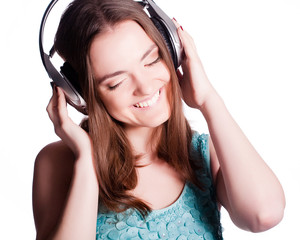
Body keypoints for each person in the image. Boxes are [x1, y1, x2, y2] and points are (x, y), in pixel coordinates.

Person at [32, 0, 286, 239]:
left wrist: (208, 99)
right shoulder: (58, 163)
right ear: (80, 94)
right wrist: (87, 160)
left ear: (172, 49)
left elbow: (264, 215)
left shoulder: (204, 153)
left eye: (152, 60)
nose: (144, 87)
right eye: (116, 82)